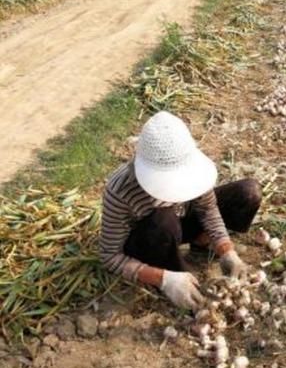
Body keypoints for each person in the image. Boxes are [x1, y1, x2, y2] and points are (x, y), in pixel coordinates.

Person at [99, 111, 261, 310]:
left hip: (179, 222)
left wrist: (226, 250)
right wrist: (163, 279)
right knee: (163, 221)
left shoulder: (192, 168)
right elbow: (110, 256)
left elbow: (208, 208)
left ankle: (201, 242)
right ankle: (176, 274)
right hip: (151, 237)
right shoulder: (120, 191)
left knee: (248, 192)